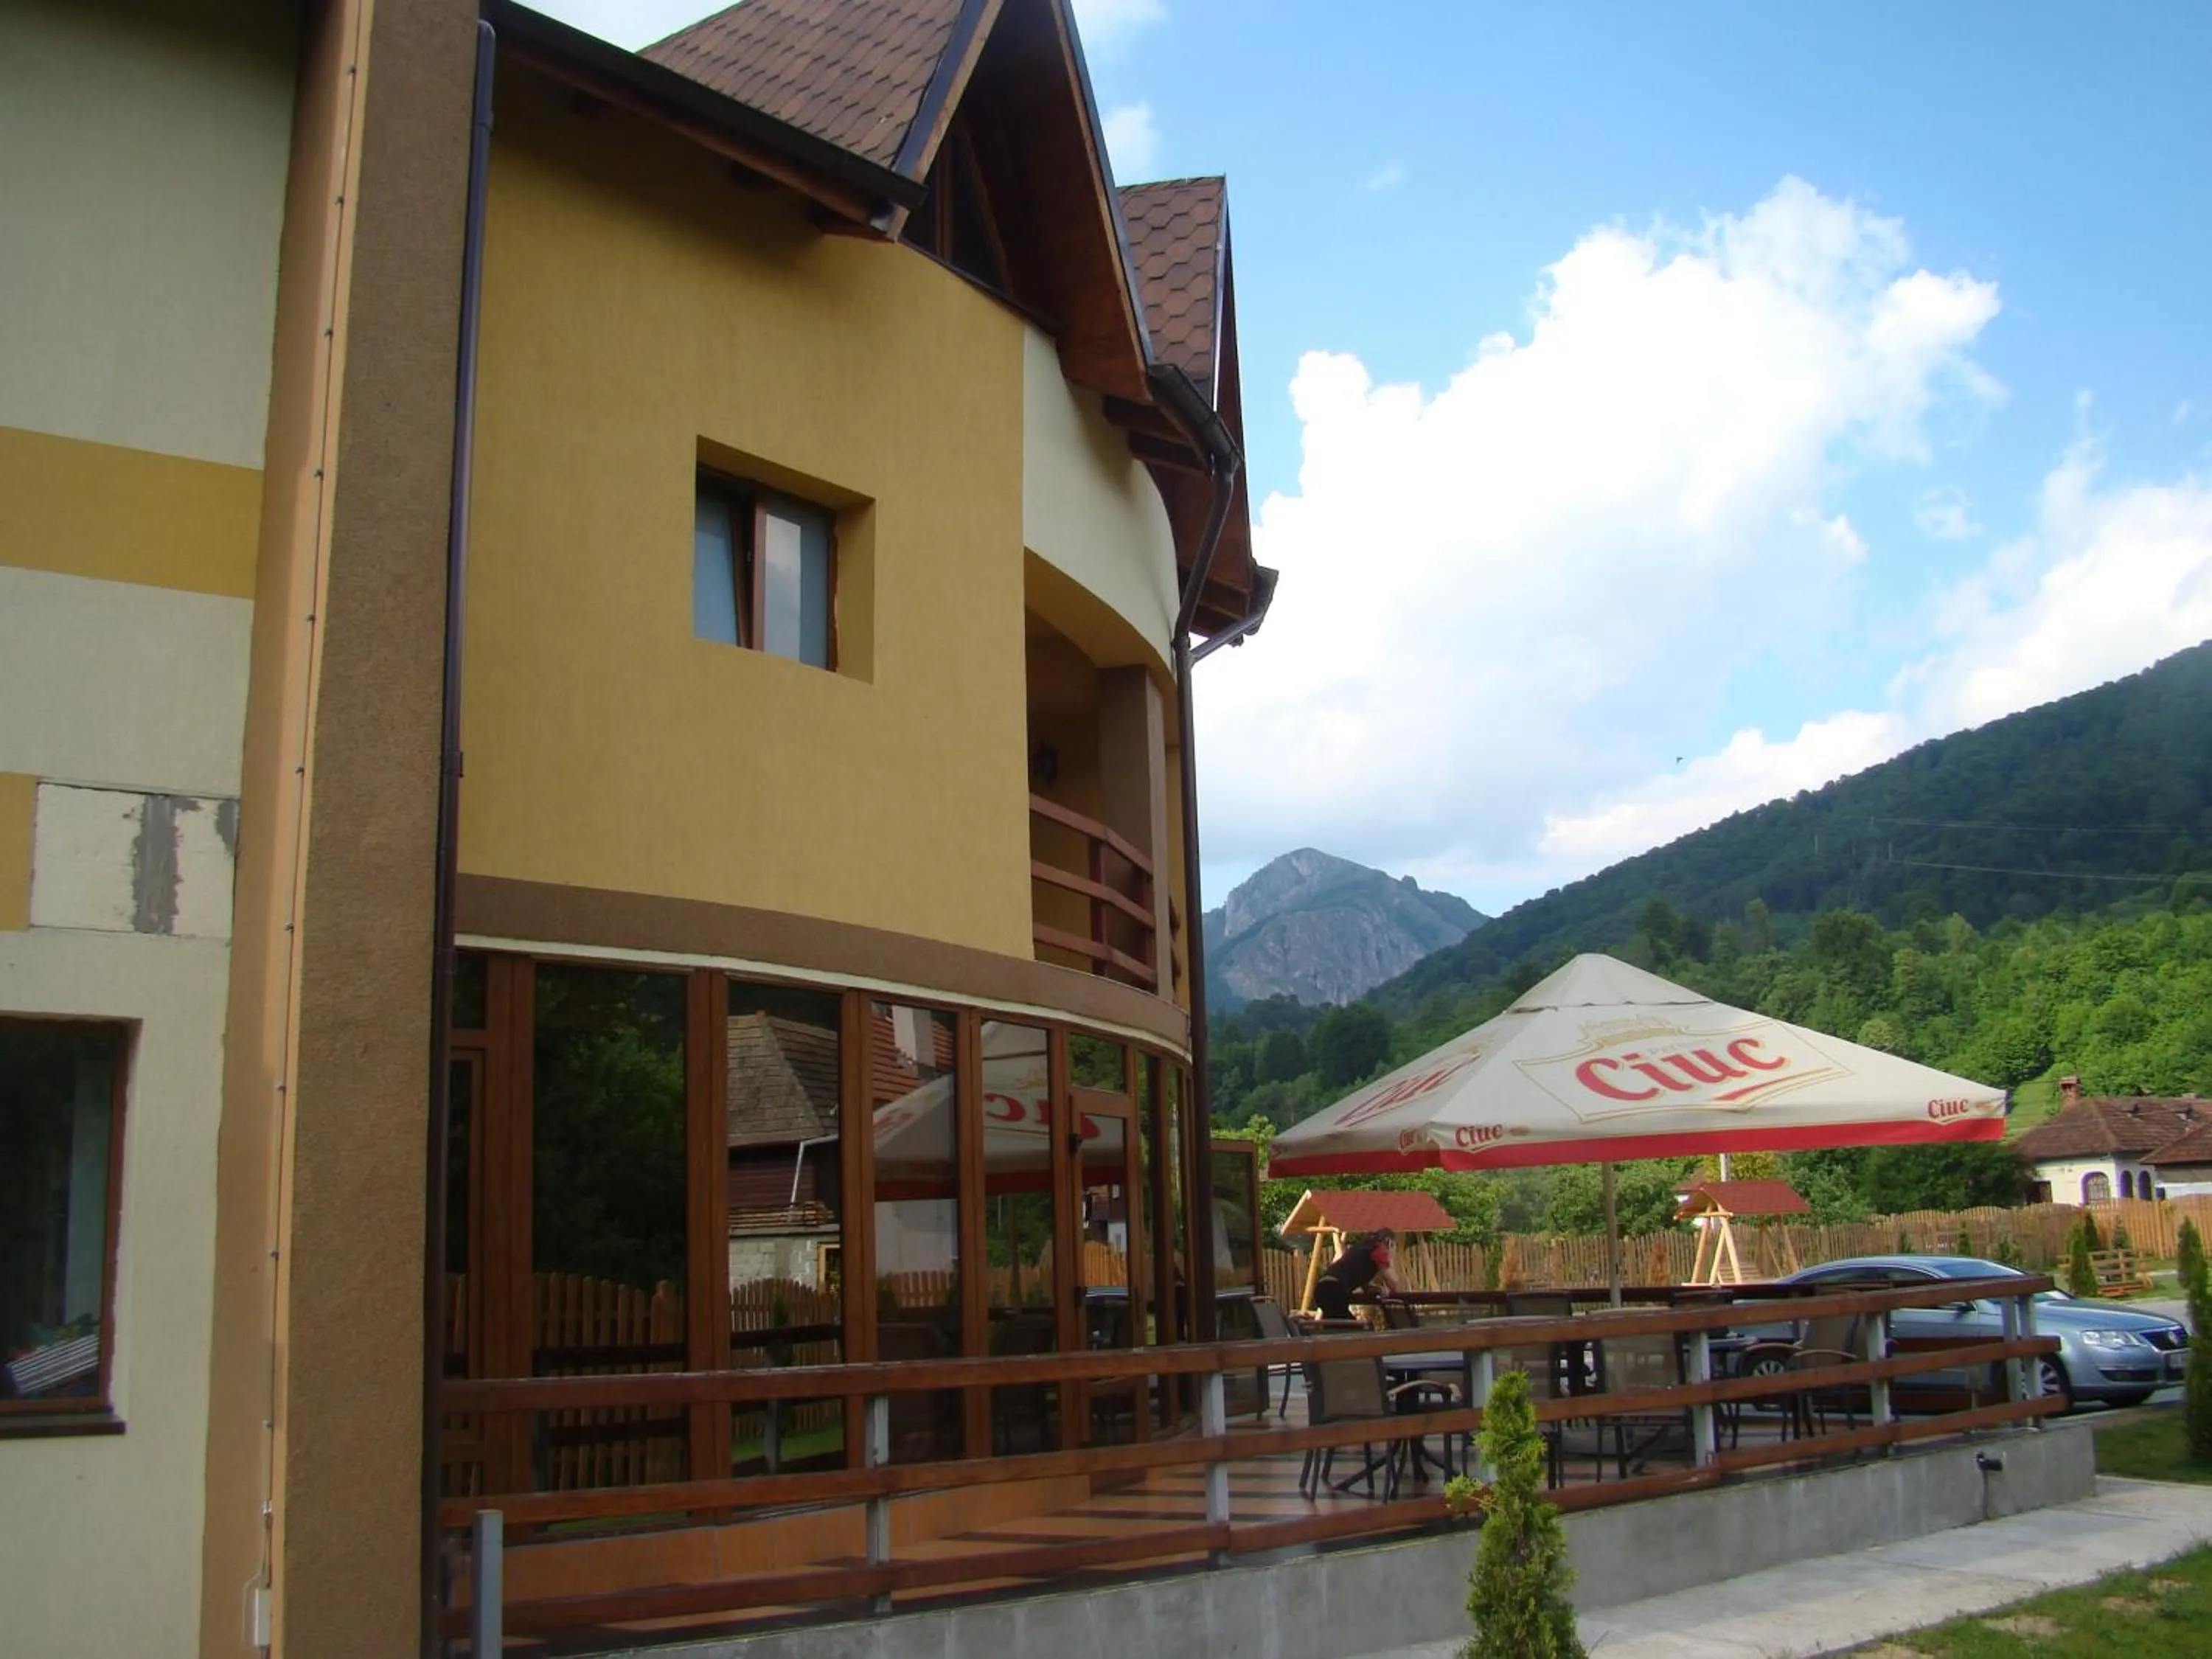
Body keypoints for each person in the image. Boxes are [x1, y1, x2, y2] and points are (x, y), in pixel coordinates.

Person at [1312, 1228, 1400, 1320]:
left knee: (1335, 1324)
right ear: (1389, 1242)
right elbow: (1394, 1284)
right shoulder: (1379, 1251)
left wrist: (1373, 1288)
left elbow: (1356, 1274)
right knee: (1350, 1326)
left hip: (1322, 1288)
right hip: (1335, 1289)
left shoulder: (1361, 1249)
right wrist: (1391, 1258)